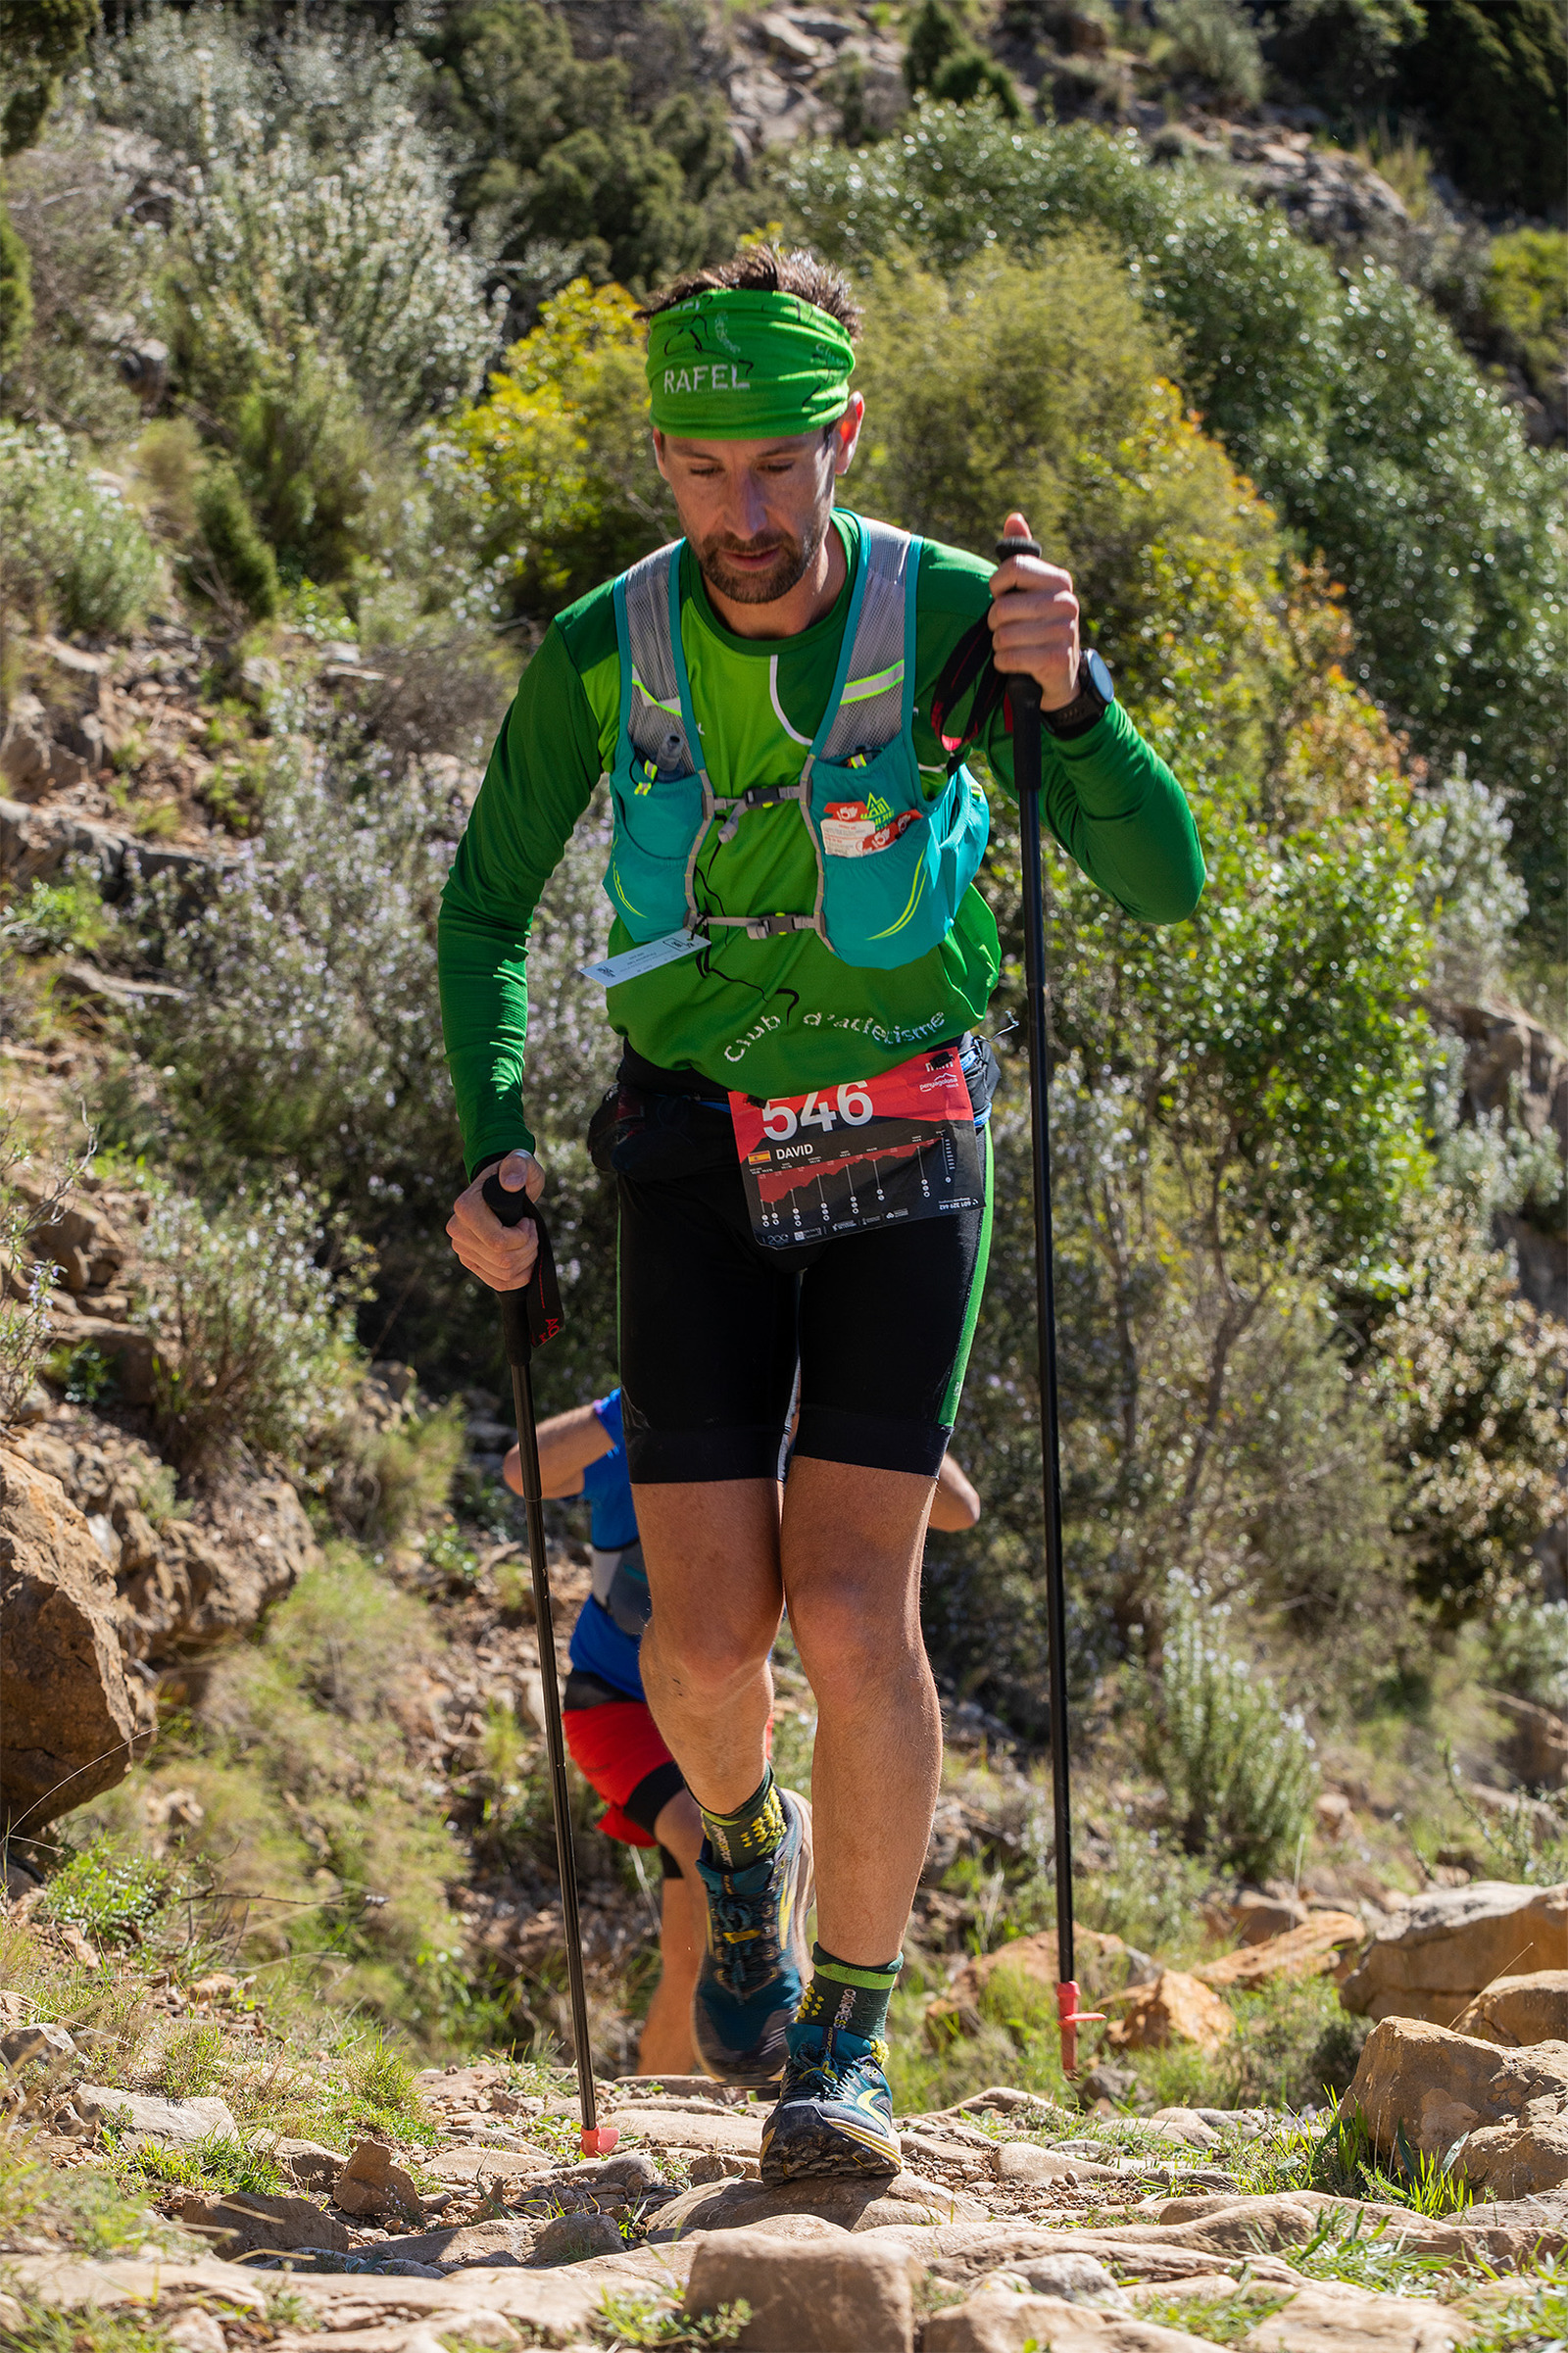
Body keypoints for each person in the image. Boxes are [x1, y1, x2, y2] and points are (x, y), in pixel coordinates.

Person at [442, 244, 1203, 2181]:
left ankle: (845, 2052)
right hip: (695, 1145)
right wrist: (493, 1145)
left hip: (900, 1138)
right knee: (705, 1645)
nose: (745, 514)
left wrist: (1074, 700)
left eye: (779, 465)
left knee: (853, 1613)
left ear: (843, 437)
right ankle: (744, 1848)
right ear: (664, 461)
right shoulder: (605, 648)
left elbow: (1163, 879)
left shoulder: (957, 616)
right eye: (706, 471)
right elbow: (486, 904)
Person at [505, 1387, 982, 2078]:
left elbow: (960, 1509)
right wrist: (631, 1400)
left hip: (730, 1713)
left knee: (695, 1941)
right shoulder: (636, 1436)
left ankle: (669, 2086)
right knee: (706, 1842)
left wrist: (837, 1399)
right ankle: (781, 1983)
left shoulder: (806, 1453)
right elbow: (521, 1469)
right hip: (613, 1705)